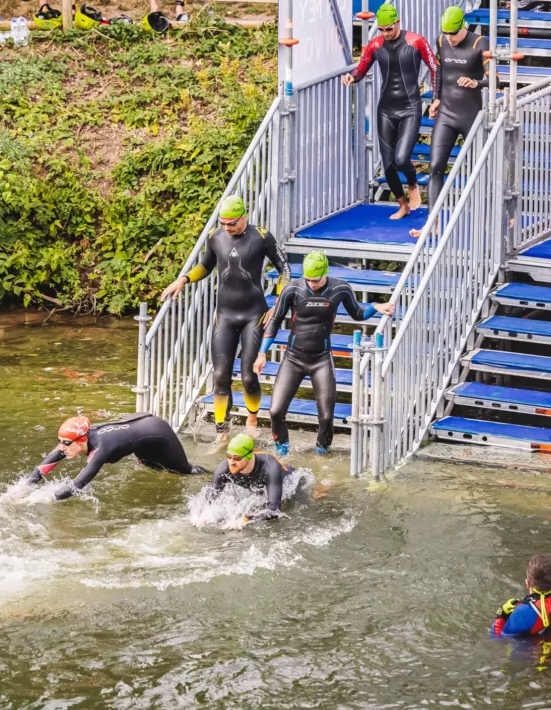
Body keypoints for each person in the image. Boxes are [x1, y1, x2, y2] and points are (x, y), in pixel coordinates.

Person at [160, 195, 290, 448]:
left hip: (255, 314)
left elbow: (284, 269)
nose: (227, 228)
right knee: (220, 375)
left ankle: (252, 422)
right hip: (225, 315)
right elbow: (205, 266)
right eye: (223, 223)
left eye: (232, 223)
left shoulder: (262, 237)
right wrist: (183, 280)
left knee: (249, 376)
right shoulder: (215, 236)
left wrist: (276, 301)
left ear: (244, 217)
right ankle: (222, 429)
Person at [256, 251, 394, 455]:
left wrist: (376, 306)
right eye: (308, 280)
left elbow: (357, 314)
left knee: (327, 417)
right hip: (293, 358)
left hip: (321, 359)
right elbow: (275, 320)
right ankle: (282, 453)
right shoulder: (293, 288)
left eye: (316, 280)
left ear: (325, 273)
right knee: (275, 411)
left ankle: (321, 455)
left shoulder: (340, 288)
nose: (312, 284)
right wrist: (262, 353)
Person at [342, 3, 437, 221]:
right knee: (387, 165)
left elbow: (435, 68)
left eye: (389, 29)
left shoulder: (416, 41)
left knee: (402, 158)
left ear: (398, 23)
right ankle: (402, 204)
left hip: (410, 108)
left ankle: (413, 184)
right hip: (386, 109)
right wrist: (352, 77)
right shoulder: (376, 45)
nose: (385, 34)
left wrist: (435, 98)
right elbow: (362, 68)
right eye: (382, 30)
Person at [24, 413, 207, 502]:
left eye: (65, 443)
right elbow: (47, 463)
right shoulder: (76, 440)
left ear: (80, 441)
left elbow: (77, 485)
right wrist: (24, 488)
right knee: (153, 468)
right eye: (60, 442)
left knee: (183, 471)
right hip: (139, 435)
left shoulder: (100, 448)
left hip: (157, 432)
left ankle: (210, 475)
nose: (61, 448)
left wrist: (39, 499)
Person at [424, 6, 487, 213]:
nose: (449, 38)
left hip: (471, 115)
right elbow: (439, 71)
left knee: (481, 169)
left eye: (453, 33)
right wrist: (436, 98)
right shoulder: (441, 41)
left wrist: (475, 83)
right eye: (446, 33)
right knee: (435, 168)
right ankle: (433, 222)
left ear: (463, 26)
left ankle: (486, 215)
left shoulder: (479, 43)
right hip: (447, 114)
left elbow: (495, 79)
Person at [206, 433, 292, 522]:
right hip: (261, 488)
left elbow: (274, 510)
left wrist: (245, 520)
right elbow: (210, 499)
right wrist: (203, 517)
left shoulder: (270, 467)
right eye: (228, 456)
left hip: (290, 481)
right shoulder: (224, 468)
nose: (231, 462)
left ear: (249, 456)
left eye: (237, 458)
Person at [492, 555, 551, 640]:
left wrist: (501, 614)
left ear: (527, 583)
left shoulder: (521, 613)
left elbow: (498, 638)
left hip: (538, 652)